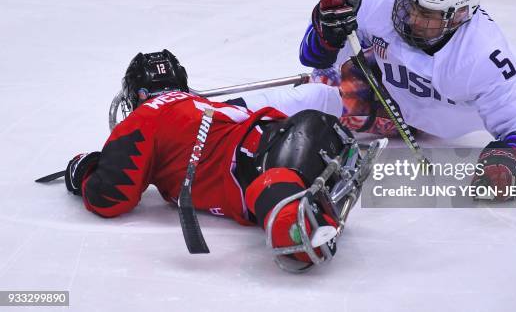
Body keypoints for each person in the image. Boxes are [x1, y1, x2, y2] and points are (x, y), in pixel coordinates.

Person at [63, 49, 380, 271]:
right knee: (269, 183)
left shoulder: (145, 115)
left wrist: (84, 170)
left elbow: (111, 196)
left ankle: (297, 218)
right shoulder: (199, 104)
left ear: (138, 95)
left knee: (281, 216)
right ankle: (308, 206)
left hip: (272, 163)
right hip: (306, 135)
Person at [299, 0, 516, 201]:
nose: (411, 18)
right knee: (318, 92)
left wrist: (509, 159)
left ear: (459, 15)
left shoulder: (485, 58)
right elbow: (313, 58)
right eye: (411, 4)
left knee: (322, 107)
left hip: (432, 121)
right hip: (381, 84)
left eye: (427, 14)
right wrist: (326, 35)